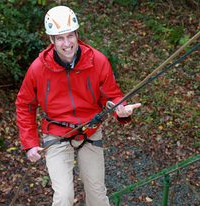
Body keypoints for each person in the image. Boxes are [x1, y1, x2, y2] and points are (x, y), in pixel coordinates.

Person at [15, 5, 141, 206]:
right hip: (57, 134)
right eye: (60, 38)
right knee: (63, 197)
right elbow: (25, 105)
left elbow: (112, 96)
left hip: (89, 130)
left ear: (77, 34)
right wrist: (30, 143)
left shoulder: (97, 61)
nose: (67, 43)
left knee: (98, 196)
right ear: (51, 40)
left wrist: (122, 111)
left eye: (70, 36)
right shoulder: (39, 68)